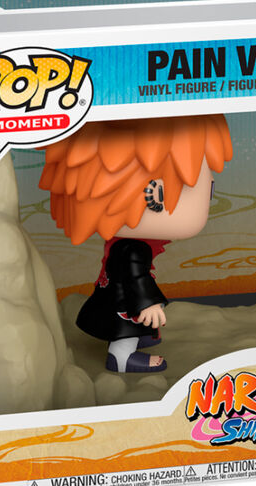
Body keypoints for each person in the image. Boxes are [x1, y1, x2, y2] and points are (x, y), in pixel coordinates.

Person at [39, 114, 233, 372]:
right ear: (155, 196)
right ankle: (121, 357)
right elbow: (136, 276)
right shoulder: (131, 248)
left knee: (132, 321)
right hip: (122, 301)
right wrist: (148, 303)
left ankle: (135, 336)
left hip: (118, 294)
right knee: (127, 325)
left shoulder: (130, 242)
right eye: (192, 189)